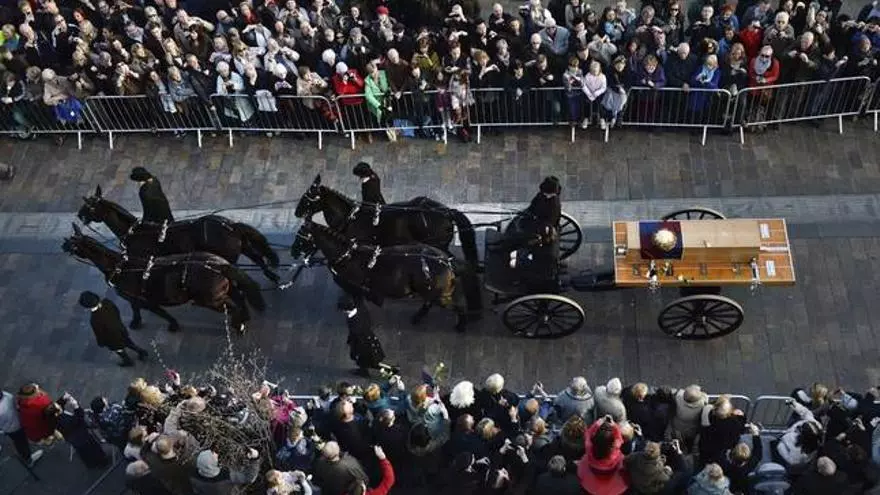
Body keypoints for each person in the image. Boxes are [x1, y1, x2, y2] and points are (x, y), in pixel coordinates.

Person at [79, 291, 149, 366]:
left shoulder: (94, 319)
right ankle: (141, 352)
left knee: (119, 349)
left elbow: (99, 333)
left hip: (112, 339)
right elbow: (117, 312)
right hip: (121, 329)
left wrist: (101, 342)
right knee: (128, 342)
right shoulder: (107, 302)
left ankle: (127, 361)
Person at [338, 296, 396, 377]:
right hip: (368, 339)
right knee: (368, 361)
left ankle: (389, 370)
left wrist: (354, 349)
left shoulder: (355, 322)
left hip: (363, 344)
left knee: (367, 361)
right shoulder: (361, 309)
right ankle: (388, 369)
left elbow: (356, 337)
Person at [189, 447, 261, 494]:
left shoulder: (193, 477)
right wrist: (255, 459)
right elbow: (248, 478)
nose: (216, 455)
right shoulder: (225, 476)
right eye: (213, 456)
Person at [0, 390, 43, 466]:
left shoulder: (5, 397)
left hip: (10, 426)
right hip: (14, 427)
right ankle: (28, 460)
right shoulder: (5, 401)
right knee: (21, 443)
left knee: (18, 440)